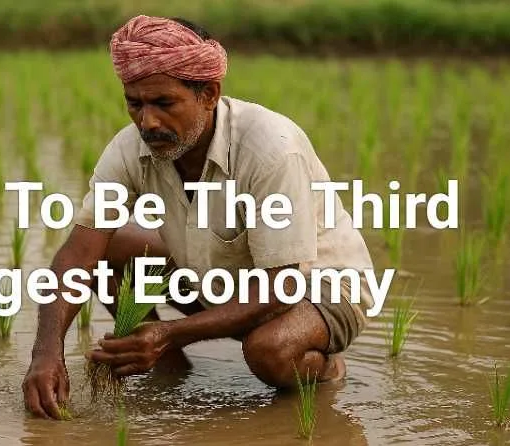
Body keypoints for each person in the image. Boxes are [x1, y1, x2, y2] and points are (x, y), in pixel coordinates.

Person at [22, 15, 376, 420]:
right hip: (217, 278)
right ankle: (166, 365)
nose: (147, 121)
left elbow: (282, 286)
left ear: (209, 94)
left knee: (269, 351)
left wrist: (168, 335)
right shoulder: (128, 149)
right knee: (108, 247)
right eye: (135, 104)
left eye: (164, 103)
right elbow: (77, 255)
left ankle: (327, 371)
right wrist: (46, 353)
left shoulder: (271, 148)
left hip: (315, 286)